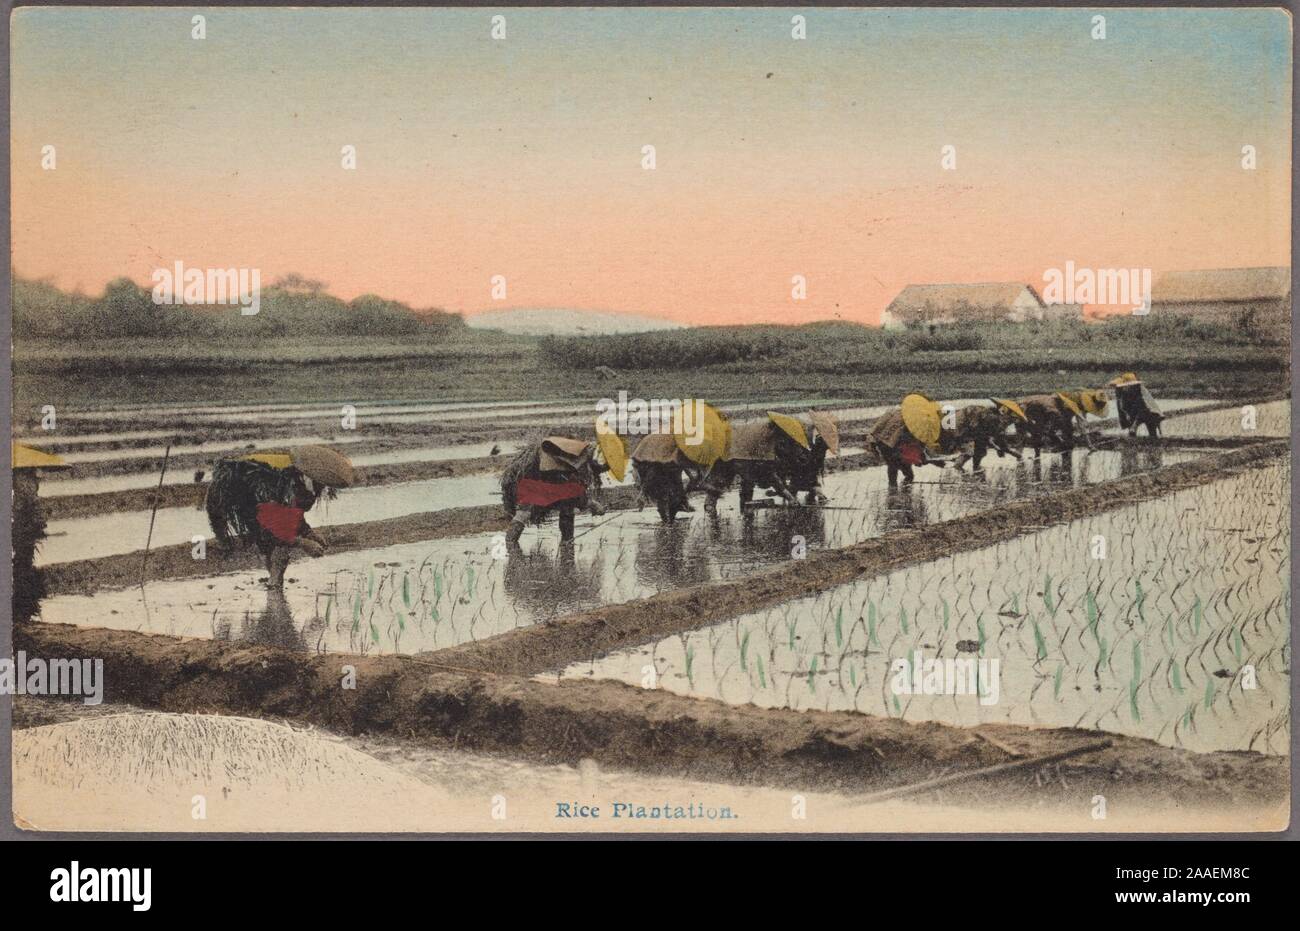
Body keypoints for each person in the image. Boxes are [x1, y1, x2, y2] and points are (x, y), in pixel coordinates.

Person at [206, 445, 354, 589]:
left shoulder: (302, 485)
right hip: (230, 494)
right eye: (320, 485)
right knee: (276, 545)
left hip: (254, 499)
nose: (322, 490)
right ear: (311, 479)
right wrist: (304, 543)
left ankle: (274, 585)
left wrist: (310, 533)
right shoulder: (278, 484)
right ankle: (274, 584)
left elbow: (293, 515)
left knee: (275, 544)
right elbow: (274, 529)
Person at [501, 435, 606, 544]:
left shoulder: (569, 455)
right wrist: (593, 505)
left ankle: (567, 541)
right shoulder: (575, 461)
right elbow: (577, 494)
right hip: (536, 482)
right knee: (525, 512)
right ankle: (511, 543)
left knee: (564, 507)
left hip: (543, 483)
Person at [11, 444, 69, 624]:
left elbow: (32, 511)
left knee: (22, 565)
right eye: (30, 474)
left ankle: (20, 612)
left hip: (24, 531)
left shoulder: (25, 488)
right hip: (20, 529)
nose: (36, 480)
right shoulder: (19, 487)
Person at [1109, 372, 1163, 437]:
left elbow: (1144, 409)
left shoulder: (1139, 394)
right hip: (1135, 413)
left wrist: (1134, 426)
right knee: (1132, 427)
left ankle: (1152, 438)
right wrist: (1127, 423)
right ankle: (1132, 436)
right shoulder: (1122, 393)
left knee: (1151, 425)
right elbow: (1122, 410)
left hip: (1149, 413)